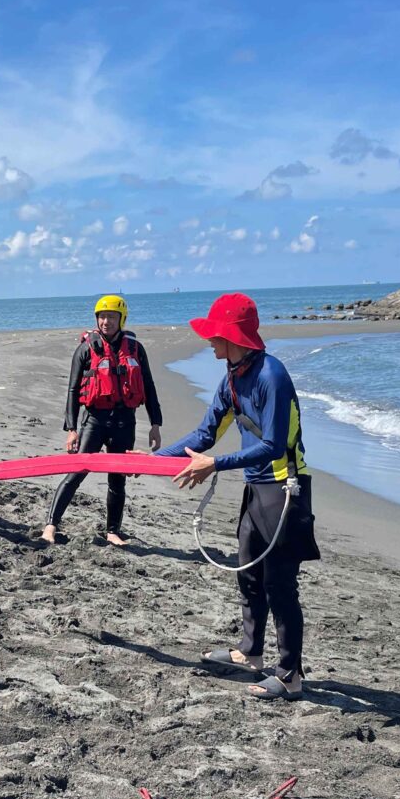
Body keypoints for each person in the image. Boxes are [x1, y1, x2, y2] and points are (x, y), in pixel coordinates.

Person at [157, 293, 319, 699]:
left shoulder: (271, 376)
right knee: (249, 575)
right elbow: (204, 434)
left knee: (280, 585)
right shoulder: (233, 376)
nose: (209, 341)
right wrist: (152, 459)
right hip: (255, 488)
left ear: (232, 337)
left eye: (214, 335)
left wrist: (214, 465)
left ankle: (290, 675)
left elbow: (273, 445)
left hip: (284, 489)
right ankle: (250, 653)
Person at [42, 295, 163, 546]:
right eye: (102, 317)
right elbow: (73, 390)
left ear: (122, 319)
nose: (106, 321)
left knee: (117, 479)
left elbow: (150, 387)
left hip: (124, 423)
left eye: (111, 317)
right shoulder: (86, 349)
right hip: (94, 421)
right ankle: (50, 526)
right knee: (76, 473)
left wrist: (155, 424)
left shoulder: (136, 349)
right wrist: (72, 429)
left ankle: (112, 531)